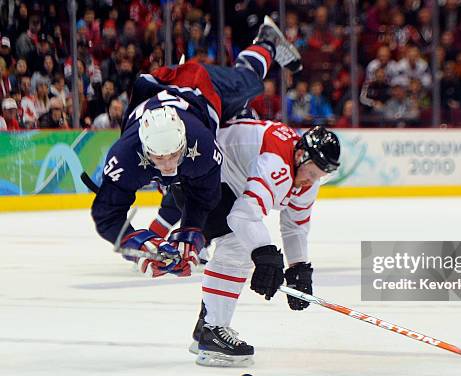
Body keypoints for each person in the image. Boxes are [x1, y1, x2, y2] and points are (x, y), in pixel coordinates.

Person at [90, 16, 303, 279]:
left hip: (204, 88)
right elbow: (107, 214)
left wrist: (192, 235)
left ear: (184, 142)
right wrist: (137, 245)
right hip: (180, 100)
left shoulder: (201, 145)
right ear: (144, 149)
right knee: (180, 185)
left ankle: (267, 40)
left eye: (174, 155)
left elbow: (203, 198)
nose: (168, 164)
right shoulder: (124, 155)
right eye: (159, 157)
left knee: (248, 82)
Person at [147, 121, 340, 367]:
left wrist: (298, 268)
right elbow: (242, 215)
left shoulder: (303, 174)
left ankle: (207, 328)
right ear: (301, 155)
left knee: (239, 243)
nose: (311, 182)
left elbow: (294, 226)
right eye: (312, 174)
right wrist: (265, 255)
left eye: (320, 178)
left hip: (223, 178)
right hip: (200, 177)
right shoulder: (277, 163)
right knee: (237, 243)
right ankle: (212, 332)